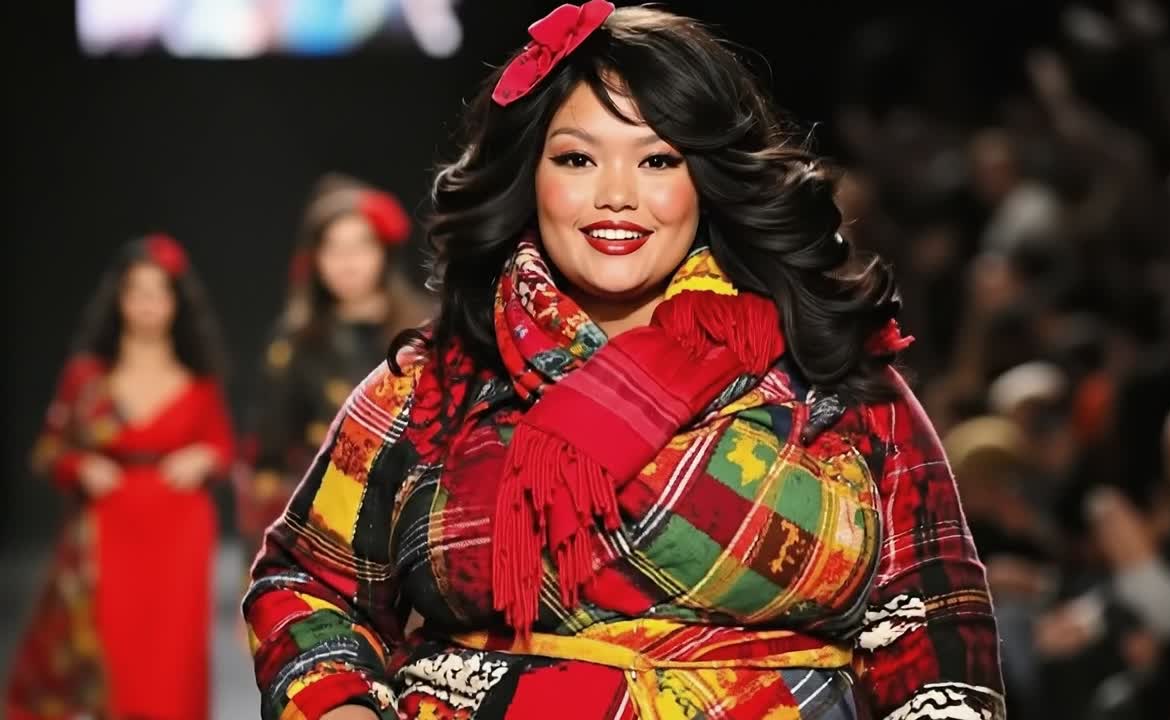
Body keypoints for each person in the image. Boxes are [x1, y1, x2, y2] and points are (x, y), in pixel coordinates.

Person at [243, 4, 1005, 719]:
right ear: (529, 175)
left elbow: (934, 612)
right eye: (577, 158)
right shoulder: (437, 384)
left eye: (658, 160)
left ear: (706, 179)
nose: (615, 197)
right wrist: (342, 704)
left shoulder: (829, 370)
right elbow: (306, 582)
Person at [7, 234, 235, 719]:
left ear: (176, 303)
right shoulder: (87, 378)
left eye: (159, 293)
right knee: (118, 663)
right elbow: (50, 451)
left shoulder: (199, 381)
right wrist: (81, 465)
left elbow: (225, 447)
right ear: (120, 301)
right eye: (137, 292)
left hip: (181, 532)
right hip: (109, 529)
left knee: (175, 663)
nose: (148, 305)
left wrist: (203, 459)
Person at [236, 172, 434, 556]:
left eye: (361, 246)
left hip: (412, 521)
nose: (348, 263)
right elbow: (268, 452)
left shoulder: (423, 333)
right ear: (316, 259)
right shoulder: (295, 342)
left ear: (384, 252)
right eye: (334, 249)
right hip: (321, 523)